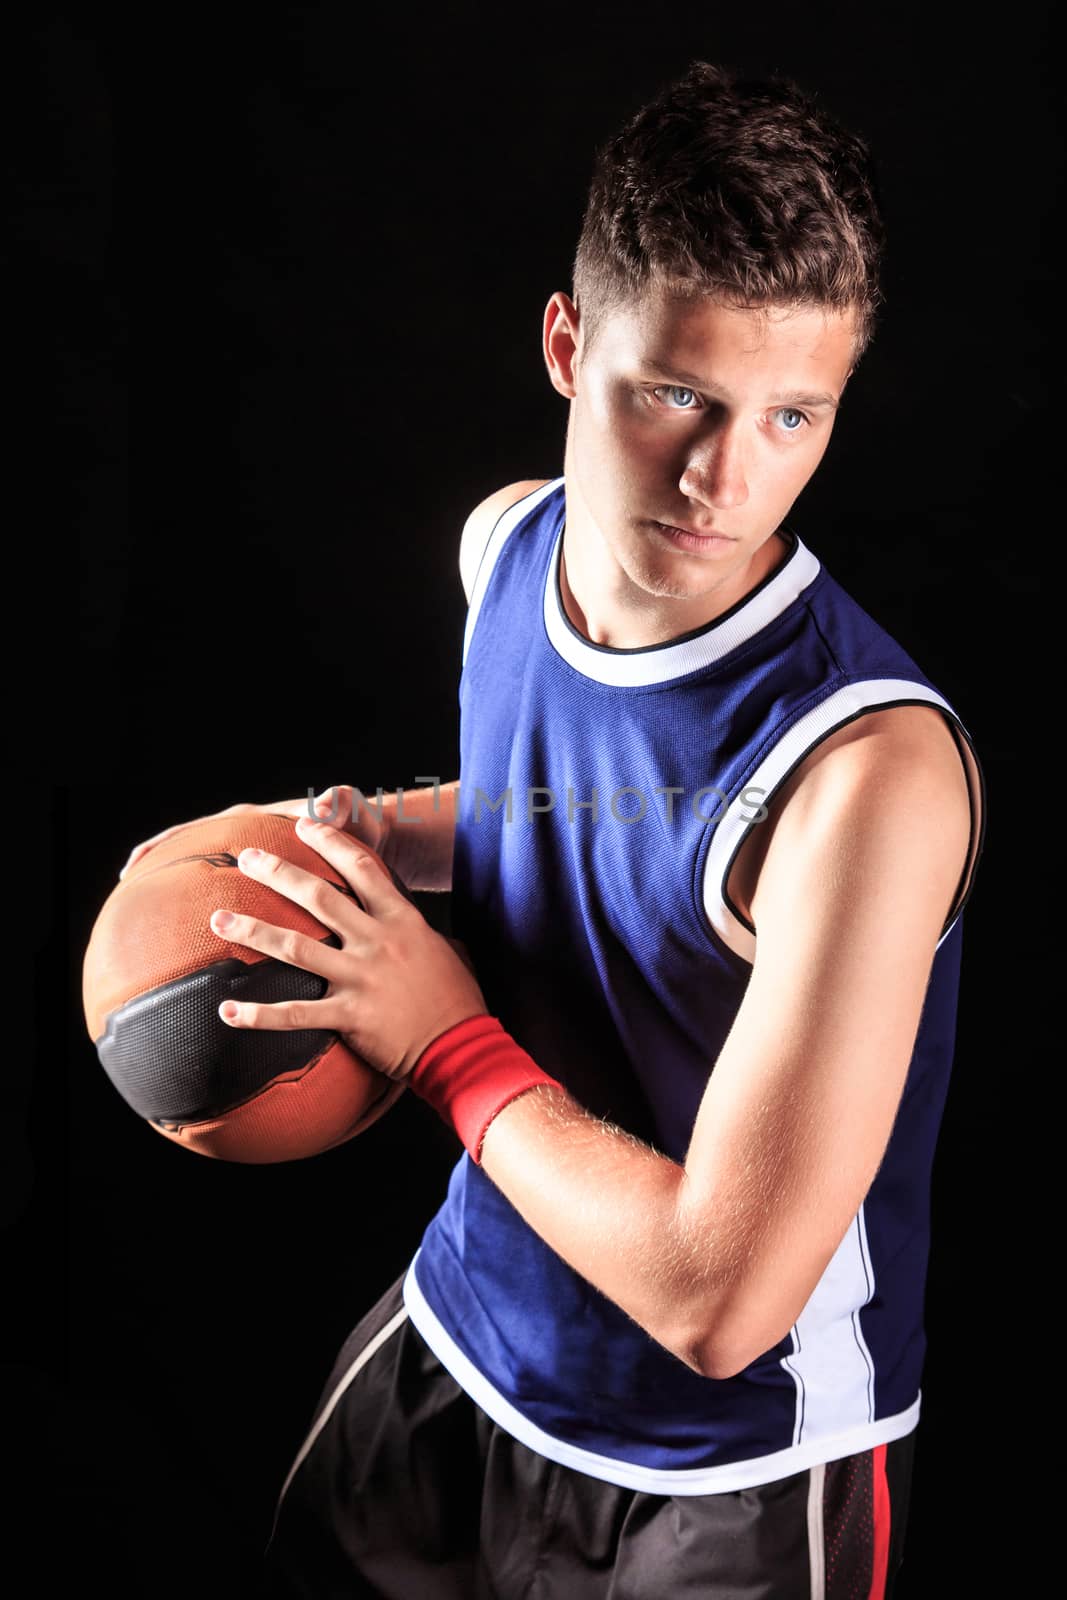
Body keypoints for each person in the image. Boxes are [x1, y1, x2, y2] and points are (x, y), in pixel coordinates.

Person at [123, 59, 985, 1599]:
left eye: (796, 415)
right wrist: (374, 837)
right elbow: (578, 805)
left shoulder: (869, 775)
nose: (729, 475)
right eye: (679, 395)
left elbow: (724, 1299)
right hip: (470, 1332)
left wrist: (440, 1036)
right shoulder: (510, 548)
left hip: (730, 1464)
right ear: (568, 343)